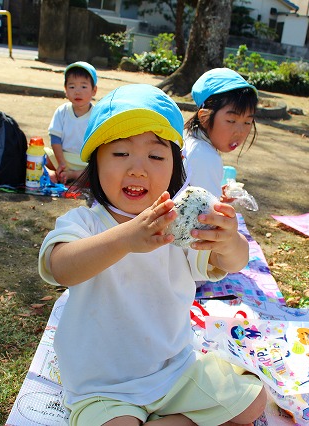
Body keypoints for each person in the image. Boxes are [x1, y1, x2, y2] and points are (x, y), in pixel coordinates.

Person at [38, 84, 266, 426]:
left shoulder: (181, 222)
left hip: (174, 370)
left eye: (156, 157)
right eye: (120, 153)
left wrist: (229, 240)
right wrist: (126, 239)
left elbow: (231, 262)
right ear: (95, 163)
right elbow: (60, 268)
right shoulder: (85, 223)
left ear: (176, 168)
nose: (138, 169)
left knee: (254, 401)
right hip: (104, 384)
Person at [183, 68, 258, 201]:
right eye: (231, 121)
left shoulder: (187, 136)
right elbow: (207, 213)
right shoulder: (205, 155)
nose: (240, 131)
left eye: (247, 122)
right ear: (204, 117)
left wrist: (218, 198)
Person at [45, 61, 98, 184]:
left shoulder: (97, 114)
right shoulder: (62, 111)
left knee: (102, 170)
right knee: (35, 154)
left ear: (94, 90)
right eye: (72, 87)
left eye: (83, 87)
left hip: (85, 163)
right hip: (61, 158)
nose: (77, 92)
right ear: (65, 89)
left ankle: (73, 175)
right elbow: (55, 139)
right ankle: (51, 173)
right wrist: (61, 163)